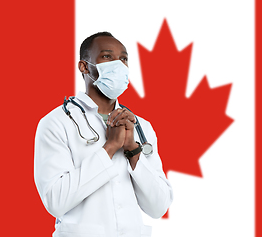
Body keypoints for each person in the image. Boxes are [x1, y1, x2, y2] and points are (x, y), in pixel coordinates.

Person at [34, 32, 173, 237]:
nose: (118, 65)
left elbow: (158, 207)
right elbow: (55, 201)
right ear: (84, 66)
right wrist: (109, 148)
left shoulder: (141, 126)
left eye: (124, 59)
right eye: (107, 57)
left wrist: (133, 151)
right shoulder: (57, 122)